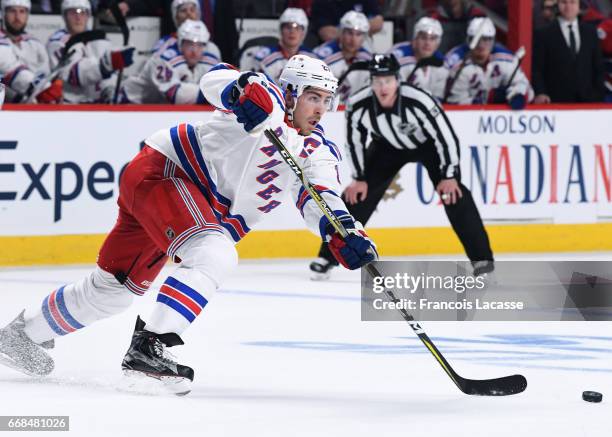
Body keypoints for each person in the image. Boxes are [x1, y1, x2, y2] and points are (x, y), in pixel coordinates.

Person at [0, 55, 377, 394]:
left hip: (177, 203)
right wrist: (236, 92)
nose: (322, 109)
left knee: (113, 290)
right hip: (165, 174)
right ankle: (149, 346)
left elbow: (320, 197)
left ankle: (22, 334)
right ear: (291, 93)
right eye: (314, 97)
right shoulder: (265, 97)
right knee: (214, 252)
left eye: (328, 100)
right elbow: (215, 78)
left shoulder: (319, 151)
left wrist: (341, 231)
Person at [309, 54, 493, 280]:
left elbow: (446, 137)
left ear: (397, 79)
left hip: (429, 147)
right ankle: (328, 256)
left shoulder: (419, 101)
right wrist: (359, 177)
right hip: (386, 148)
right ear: (371, 81)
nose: (383, 86)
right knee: (357, 196)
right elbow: (354, 142)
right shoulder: (359, 104)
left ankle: (482, 262)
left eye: (387, 80)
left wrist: (449, 175)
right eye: (377, 80)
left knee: (455, 196)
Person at [46, 0, 135, 103]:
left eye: (82, 12)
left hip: (96, 106)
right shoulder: (57, 42)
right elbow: (73, 74)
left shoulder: (98, 39)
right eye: (73, 12)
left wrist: (109, 89)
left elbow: (110, 74)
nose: (78, 17)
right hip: (68, 106)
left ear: (89, 16)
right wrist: (105, 65)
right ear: (64, 16)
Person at [119, 20, 218, 104]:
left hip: (157, 107)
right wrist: (213, 94)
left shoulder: (209, 61)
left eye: (199, 45)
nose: (195, 51)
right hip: (129, 103)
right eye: (189, 44)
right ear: (180, 44)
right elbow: (175, 94)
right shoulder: (162, 60)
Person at [444, 17, 533, 109]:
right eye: (477, 40)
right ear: (468, 41)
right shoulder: (456, 62)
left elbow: (528, 91)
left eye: (486, 40)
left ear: (493, 41)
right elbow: (453, 102)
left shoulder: (506, 60)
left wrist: (514, 95)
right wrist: (487, 98)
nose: (481, 46)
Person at [533, 0, 605, 103]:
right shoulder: (543, 33)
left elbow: (598, 67)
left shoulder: (591, 32)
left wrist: (598, 95)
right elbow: (537, 69)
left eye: (572, 2)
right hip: (555, 102)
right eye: (564, 2)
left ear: (579, 5)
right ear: (557, 5)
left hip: (588, 102)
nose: (568, 6)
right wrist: (540, 92)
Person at [0, 0, 60, 103]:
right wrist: (43, 88)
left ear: (28, 15)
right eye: (12, 11)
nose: (17, 17)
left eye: (22, 11)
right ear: (3, 13)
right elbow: (10, 69)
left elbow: (45, 74)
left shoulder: (36, 44)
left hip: (33, 108)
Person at [314, 10, 372, 103]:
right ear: (341, 33)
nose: (353, 39)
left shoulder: (368, 60)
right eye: (349, 33)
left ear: (364, 37)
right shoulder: (322, 56)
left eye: (358, 34)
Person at [389, 17, 448, 101]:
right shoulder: (399, 58)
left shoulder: (441, 65)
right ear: (415, 40)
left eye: (432, 39)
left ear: (437, 44)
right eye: (423, 38)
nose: (427, 43)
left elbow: (437, 100)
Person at [253, 8, 315, 84]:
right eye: (288, 27)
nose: (292, 31)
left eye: (297, 28)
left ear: (303, 33)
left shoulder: (313, 59)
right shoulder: (264, 59)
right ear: (281, 30)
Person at [151, 0, 221, 63]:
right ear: (176, 17)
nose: (188, 13)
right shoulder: (164, 44)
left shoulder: (210, 47)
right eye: (183, 10)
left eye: (192, 10)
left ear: (198, 14)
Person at [310, 0, 383, 43]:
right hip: (333, 48)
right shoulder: (322, 2)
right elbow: (326, 34)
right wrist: (355, 33)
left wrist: (354, 31)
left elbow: (378, 22)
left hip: (362, 45)